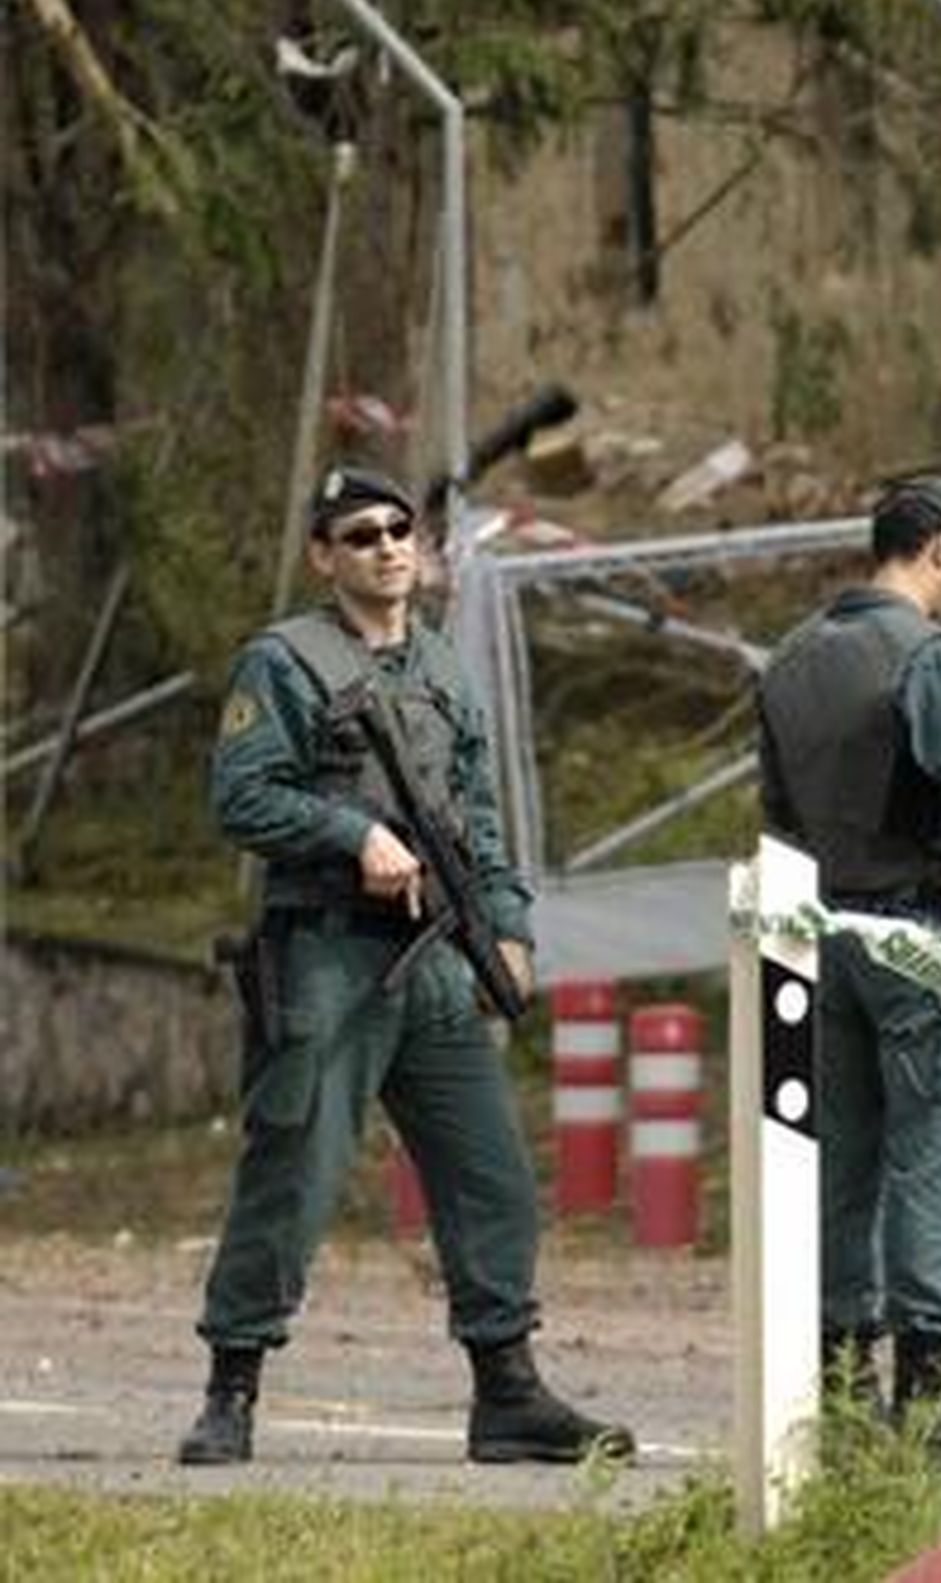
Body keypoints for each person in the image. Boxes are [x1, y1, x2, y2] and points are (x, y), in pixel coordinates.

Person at [176, 464, 633, 1470]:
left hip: (430, 960)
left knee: (493, 1177)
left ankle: (507, 1391)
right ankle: (230, 1389)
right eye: (362, 534)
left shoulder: (438, 669)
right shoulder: (284, 663)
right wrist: (349, 835)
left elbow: (475, 817)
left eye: (400, 530)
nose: (387, 547)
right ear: (323, 556)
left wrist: (505, 922)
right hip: (325, 956)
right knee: (292, 1173)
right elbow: (240, 798)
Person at [756, 473, 941, 1439]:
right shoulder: (923, 654)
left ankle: (842, 1388)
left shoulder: (788, 659)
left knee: (841, 1160)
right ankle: (932, 1396)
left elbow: (778, 820)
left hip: (816, 936)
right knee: (935, 1148)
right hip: (918, 933)